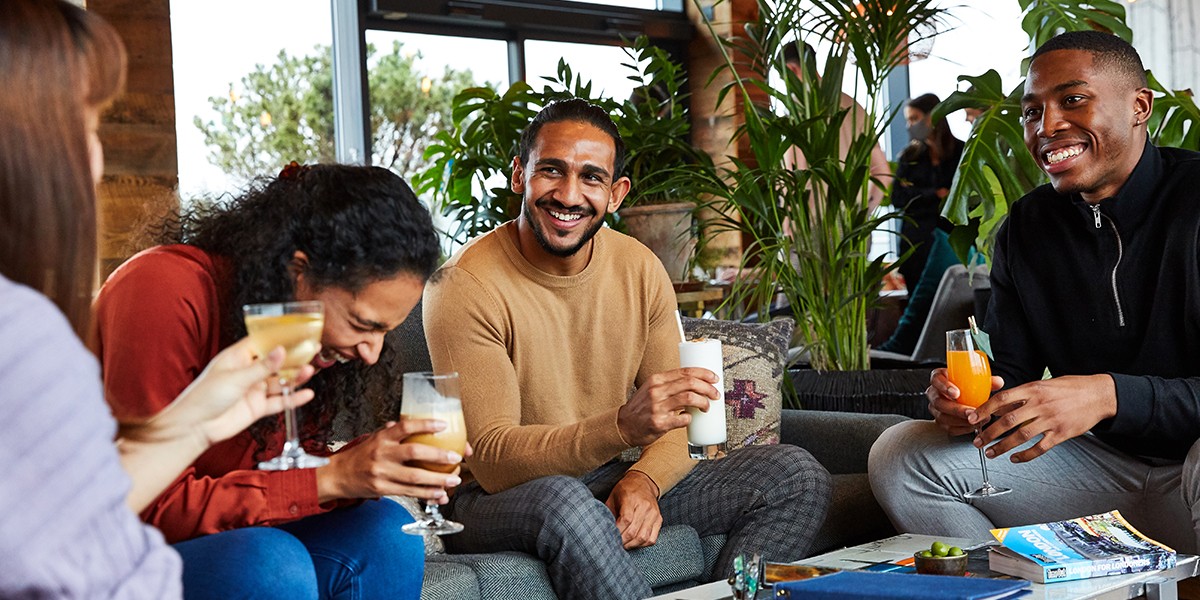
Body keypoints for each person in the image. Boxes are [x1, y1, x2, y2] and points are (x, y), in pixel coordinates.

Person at [422, 98, 833, 600]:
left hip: (604, 475)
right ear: (518, 175)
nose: (569, 194)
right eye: (551, 170)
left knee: (794, 474)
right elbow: (492, 460)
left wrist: (645, 481)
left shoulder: (638, 266)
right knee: (567, 502)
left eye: (591, 178)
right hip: (495, 498)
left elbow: (684, 420)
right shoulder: (464, 284)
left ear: (616, 194)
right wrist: (621, 426)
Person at [0, 0, 318, 596]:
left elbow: (67, 512)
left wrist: (197, 423)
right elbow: (88, 558)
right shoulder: (26, 333)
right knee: (267, 562)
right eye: (88, 125)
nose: (94, 161)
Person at [869, 30, 1200, 553]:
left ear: (1140, 107)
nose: (1046, 127)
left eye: (1072, 100)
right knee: (903, 456)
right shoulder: (1028, 226)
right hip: (1101, 478)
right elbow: (1008, 376)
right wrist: (968, 409)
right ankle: (1014, 588)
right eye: (1031, 112)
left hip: (1194, 473)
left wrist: (1110, 394)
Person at [91, 163, 455, 598]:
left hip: (224, 541)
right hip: (110, 550)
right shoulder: (164, 290)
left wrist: (366, 466)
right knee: (270, 562)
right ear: (297, 271)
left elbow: (267, 475)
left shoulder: (298, 337)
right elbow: (146, 505)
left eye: (385, 332)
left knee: (387, 533)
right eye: (362, 324)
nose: (372, 352)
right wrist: (330, 477)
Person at [782, 41, 892, 212]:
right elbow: (883, 174)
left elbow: (792, 176)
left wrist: (787, 225)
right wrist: (864, 214)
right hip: (855, 223)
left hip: (812, 224)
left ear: (790, 69)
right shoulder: (854, 106)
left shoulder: (799, 111)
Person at [890, 93, 965, 292]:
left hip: (949, 244)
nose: (910, 125)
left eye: (914, 118)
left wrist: (916, 192)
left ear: (932, 116)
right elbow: (897, 197)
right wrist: (934, 193)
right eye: (908, 120)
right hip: (914, 245)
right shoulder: (909, 156)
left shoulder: (961, 151)